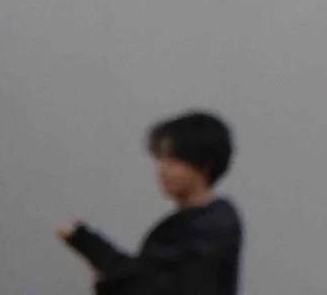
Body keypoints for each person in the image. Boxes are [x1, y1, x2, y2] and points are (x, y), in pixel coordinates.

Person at [57, 111, 242, 295]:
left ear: (205, 165)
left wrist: (92, 250)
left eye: (173, 161)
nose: (162, 170)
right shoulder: (202, 222)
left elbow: (157, 287)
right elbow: (145, 276)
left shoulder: (211, 228)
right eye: (161, 159)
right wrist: (84, 240)